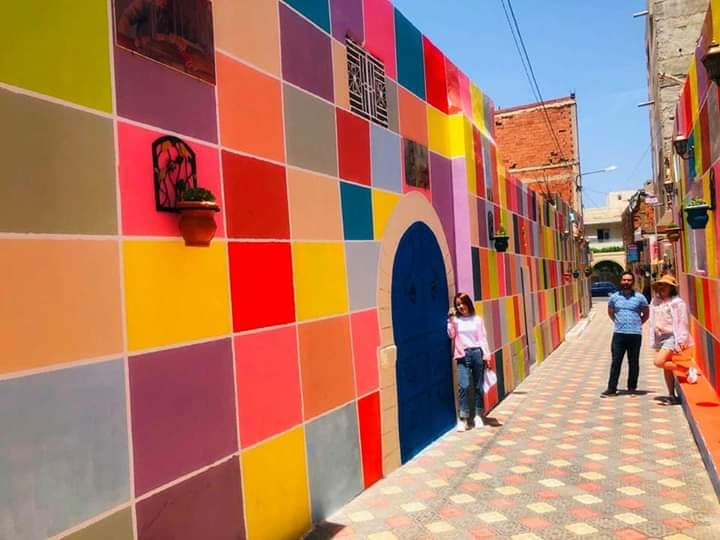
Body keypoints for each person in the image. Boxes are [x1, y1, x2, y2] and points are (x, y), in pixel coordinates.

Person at [447, 293, 491, 431]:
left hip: (477, 353)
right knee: (464, 386)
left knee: (478, 386)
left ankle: (478, 416)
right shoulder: (456, 321)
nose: (460, 306)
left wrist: (487, 356)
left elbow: (482, 338)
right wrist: (450, 320)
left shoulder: (477, 320)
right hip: (462, 354)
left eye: (462, 303)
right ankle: (464, 418)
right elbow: (451, 335)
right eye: (458, 304)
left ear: (468, 303)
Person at [602, 271, 649, 397]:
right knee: (616, 361)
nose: (626, 282)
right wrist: (619, 323)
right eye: (624, 280)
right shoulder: (614, 297)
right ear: (621, 281)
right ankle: (611, 389)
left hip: (635, 334)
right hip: (619, 334)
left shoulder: (640, 297)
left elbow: (646, 314)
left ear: (632, 282)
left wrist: (637, 324)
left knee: (633, 361)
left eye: (629, 280)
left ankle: (632, 387)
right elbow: (611, 313)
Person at [648, 274, 693, 403]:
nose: (663, 288)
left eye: (666, 285)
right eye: (661, 285)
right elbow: (653, 319)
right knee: (666, 367)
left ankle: (687, 370)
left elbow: (683, 322)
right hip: (660, 337)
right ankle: (671, 395)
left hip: (672, 336)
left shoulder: (677, 303)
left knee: (658, 362)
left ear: (671, 288)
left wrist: (682, 340)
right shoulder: (655, 301)